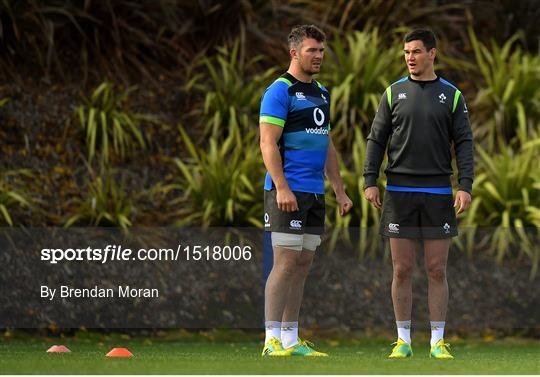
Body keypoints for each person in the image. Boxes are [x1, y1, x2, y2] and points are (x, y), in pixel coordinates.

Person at [363, 28, 474, 359]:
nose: (410, 57)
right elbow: (376, 138)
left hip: (439, 191)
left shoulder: (452, 95)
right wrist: (370, 179)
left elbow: (465, 142)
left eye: (416, 51)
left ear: (432, 54)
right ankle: (403, 341)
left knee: (437, 269)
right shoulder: (393, 93)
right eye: (406, 52)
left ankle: (437, 341)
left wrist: (465, 186)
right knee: (402, 269)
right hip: (399, 192)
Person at [259, 24, 353, 357]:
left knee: (302, 265)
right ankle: (271, 340)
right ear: (294, 52)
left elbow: (326, 144)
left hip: (314, 193)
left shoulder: (321, 93)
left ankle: (290, 339)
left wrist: (339, 191)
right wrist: (282, 187)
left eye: (322, 51)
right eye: (312, 50)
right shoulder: (279, 91)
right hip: (288, 193)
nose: (319, 56)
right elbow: (267, 143)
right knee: (284, 264)